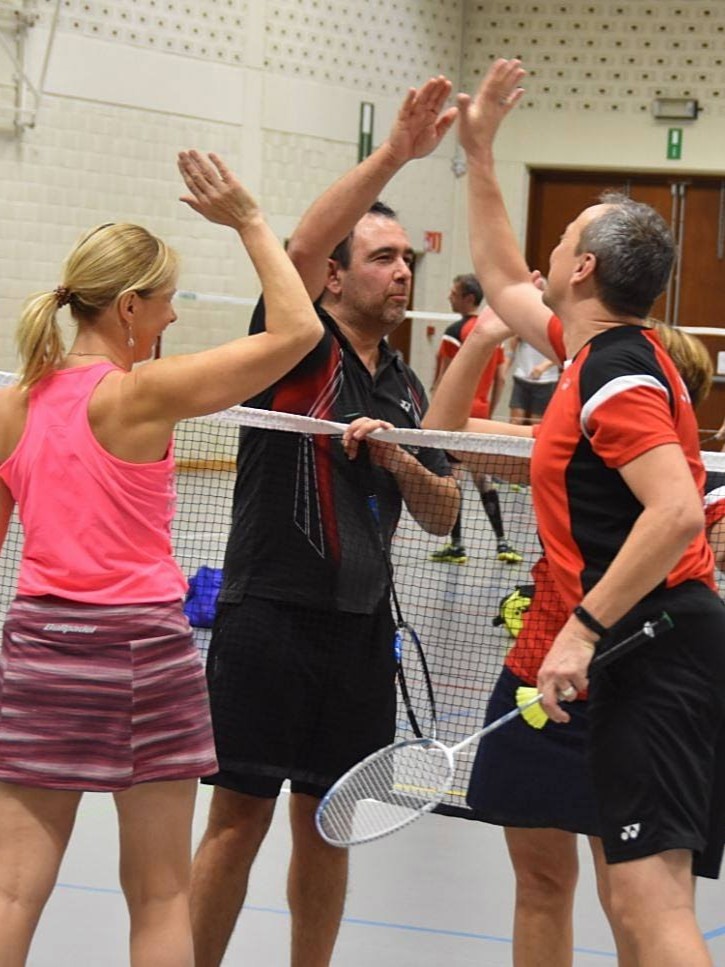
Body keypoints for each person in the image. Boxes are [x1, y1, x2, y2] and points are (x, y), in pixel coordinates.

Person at [0, 152, 324, 967]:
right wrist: (251, 222)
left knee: (10, 889)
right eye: (170, 301)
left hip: (39, 648)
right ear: (131, 304)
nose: (174, 318)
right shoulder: (142, 393)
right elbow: (299, 332)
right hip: (142, 651)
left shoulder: (14, 403)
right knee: (159, 892)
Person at [456, 57, 725, 966]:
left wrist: (576, 628)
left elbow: (677, 513)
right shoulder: (591, 351)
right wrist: (480, 150)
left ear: (581, 267)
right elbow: (497, 273)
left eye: (562, 234)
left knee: (647, 908)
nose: (541, 254)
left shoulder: (613, 373)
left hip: (646, 643)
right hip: (640, 643)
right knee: (640, 896)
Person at [189, 77, 461, 967]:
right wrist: (395, 155)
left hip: (359, 635)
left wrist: (401, 457)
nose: (402, 271)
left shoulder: (409, 386)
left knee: (329, 821)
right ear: (336, 276)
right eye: (382, 257)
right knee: (239, 813)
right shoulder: (295, 344)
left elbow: (444, 509)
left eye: (406, 259)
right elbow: (300, 241)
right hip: (269, 614)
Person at [425, 314, 718, 966]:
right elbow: (444, 435)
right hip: (535, 678)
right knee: (539, 881)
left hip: (631, 687)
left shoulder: (695, 485)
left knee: (632, 898)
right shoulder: (564, 448)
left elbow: (696, 536)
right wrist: (480, 338)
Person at [430, 274, 521, 565]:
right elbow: (501, 376)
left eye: (454, 292)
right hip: (481, 413)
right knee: (482, 478)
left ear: (468, 298)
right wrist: (488, 409)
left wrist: (437, 406)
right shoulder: (490, 332)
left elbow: (443, 375)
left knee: (453, 477)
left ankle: (457, 546)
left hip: (454, 417)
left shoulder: (454, 332)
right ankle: (503, 543)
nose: (449, 297)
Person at [506, 334, 559, 425]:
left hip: (546, 380)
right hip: (522, 376)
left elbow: (563, 352)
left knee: (535, 422)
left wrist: (544, 366)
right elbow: (511, 348)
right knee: (516, 419)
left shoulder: (557, 326)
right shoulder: (525, 324)